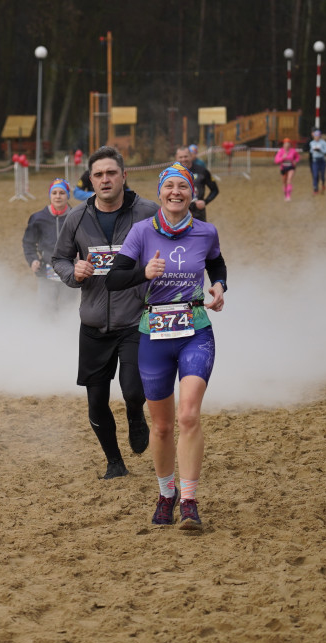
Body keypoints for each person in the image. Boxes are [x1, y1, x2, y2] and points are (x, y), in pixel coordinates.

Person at [105, 163, 227, 530]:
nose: (176, 192)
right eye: (169, 186)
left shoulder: (206, 232)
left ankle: (189, 500)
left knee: (188, 415)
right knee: (160, 427)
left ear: (192, 193)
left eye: (183, 187)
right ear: (160, 193)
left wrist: (219, 287)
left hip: (195, 330)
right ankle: (166, 493)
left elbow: (217, 265)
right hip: (154, 333)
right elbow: (113, 280)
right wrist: (143, 273)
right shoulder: (141, 232)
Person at [51, 146, 156, 479]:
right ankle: (114, 462)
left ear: (124, 176)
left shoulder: (147, 212)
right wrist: (73, 272)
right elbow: (59, 259)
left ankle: (136, 415)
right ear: (90, 180)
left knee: (133, 389)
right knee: (96, 402)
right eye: (98, 175)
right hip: (93, 323)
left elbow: (174, 244)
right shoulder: (76, 218)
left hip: (135, 319)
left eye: (112, 173)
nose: (105, 179)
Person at [22, 178, 75, 309]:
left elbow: (86, 241)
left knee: (68, 309)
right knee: (46, 309)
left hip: (71, 271)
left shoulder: (76, 217)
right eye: (54, 193)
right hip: (46, 271)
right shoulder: (38, 218)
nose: (58, 196)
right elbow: (28, 243)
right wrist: (33, 260)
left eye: (62, 193)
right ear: (50, 195)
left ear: (67, 195)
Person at [176, 146, 218, 221]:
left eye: (186, 156)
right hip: (178, 213)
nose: (183, 159)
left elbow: (215, 190)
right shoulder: (171, 173)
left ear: (191, 156)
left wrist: (205, 202)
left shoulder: (202, 171)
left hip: (198, 214)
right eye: (180, 157)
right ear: (177, 158)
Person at [308, 129, 326, 194]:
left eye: (317, 136)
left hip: (322, 160)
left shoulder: (323, 143)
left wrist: (320, 150)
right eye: (315, 136)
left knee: (322, 175)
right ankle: (315, 188)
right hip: (315, 161)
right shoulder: (311, 143)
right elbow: (311, 151)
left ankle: (323, 183)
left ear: (320, 136)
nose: (316, 137)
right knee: (315, 175)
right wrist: (314, 150)